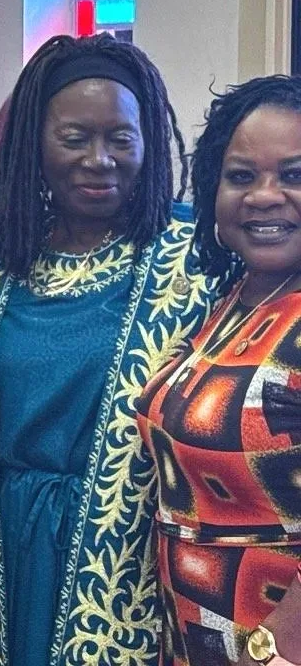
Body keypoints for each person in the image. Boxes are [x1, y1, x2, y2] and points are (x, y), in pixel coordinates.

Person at [0, 33, 219, 666]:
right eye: (74, 138)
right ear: (35, 142)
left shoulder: (196, 262)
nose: (99, 159)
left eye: (121, 137)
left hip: (128, 555)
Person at [138, 75, 301, 666]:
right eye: (241, 176)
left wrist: (281, 643)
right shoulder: (238, 298)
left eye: (293, 175)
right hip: (197, 634)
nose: (263, 195)